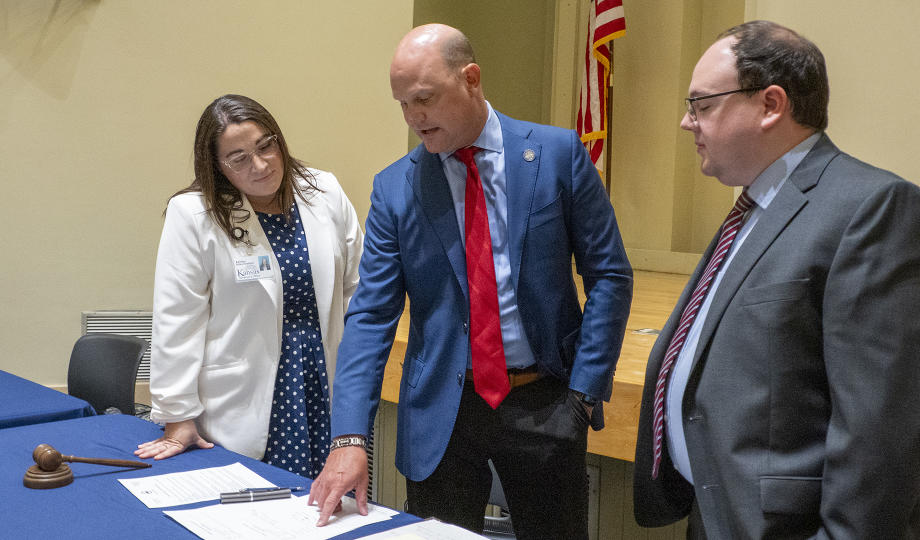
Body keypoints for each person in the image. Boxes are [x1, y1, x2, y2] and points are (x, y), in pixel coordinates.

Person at [308, 24, 632, 538]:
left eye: (424, 99)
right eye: (402, 104)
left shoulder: (557, 156)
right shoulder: (396, 188)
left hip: (544, 403)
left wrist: (584, 393)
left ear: (471, 79)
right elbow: (370, 316)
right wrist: (349, 436)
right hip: (441, 412)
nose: (414, 117)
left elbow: (610, 275)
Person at [632, 20, 920, 538]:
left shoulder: (872, 208)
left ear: (770, 105)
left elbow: (880, 436)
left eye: (702, 105)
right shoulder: (757, 205)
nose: (687, 123)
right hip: (717, 514)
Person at [135, 94, 364, 479]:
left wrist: (358, 391)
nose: (259, 165)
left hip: (323, 381)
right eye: (238, 158)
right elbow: (178, 319)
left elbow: (356, 289)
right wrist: (177, 414)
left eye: (265, 146)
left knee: (326, 513)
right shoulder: (195, 214)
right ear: (218, 167)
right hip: (244, 396)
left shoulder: (323, 191)